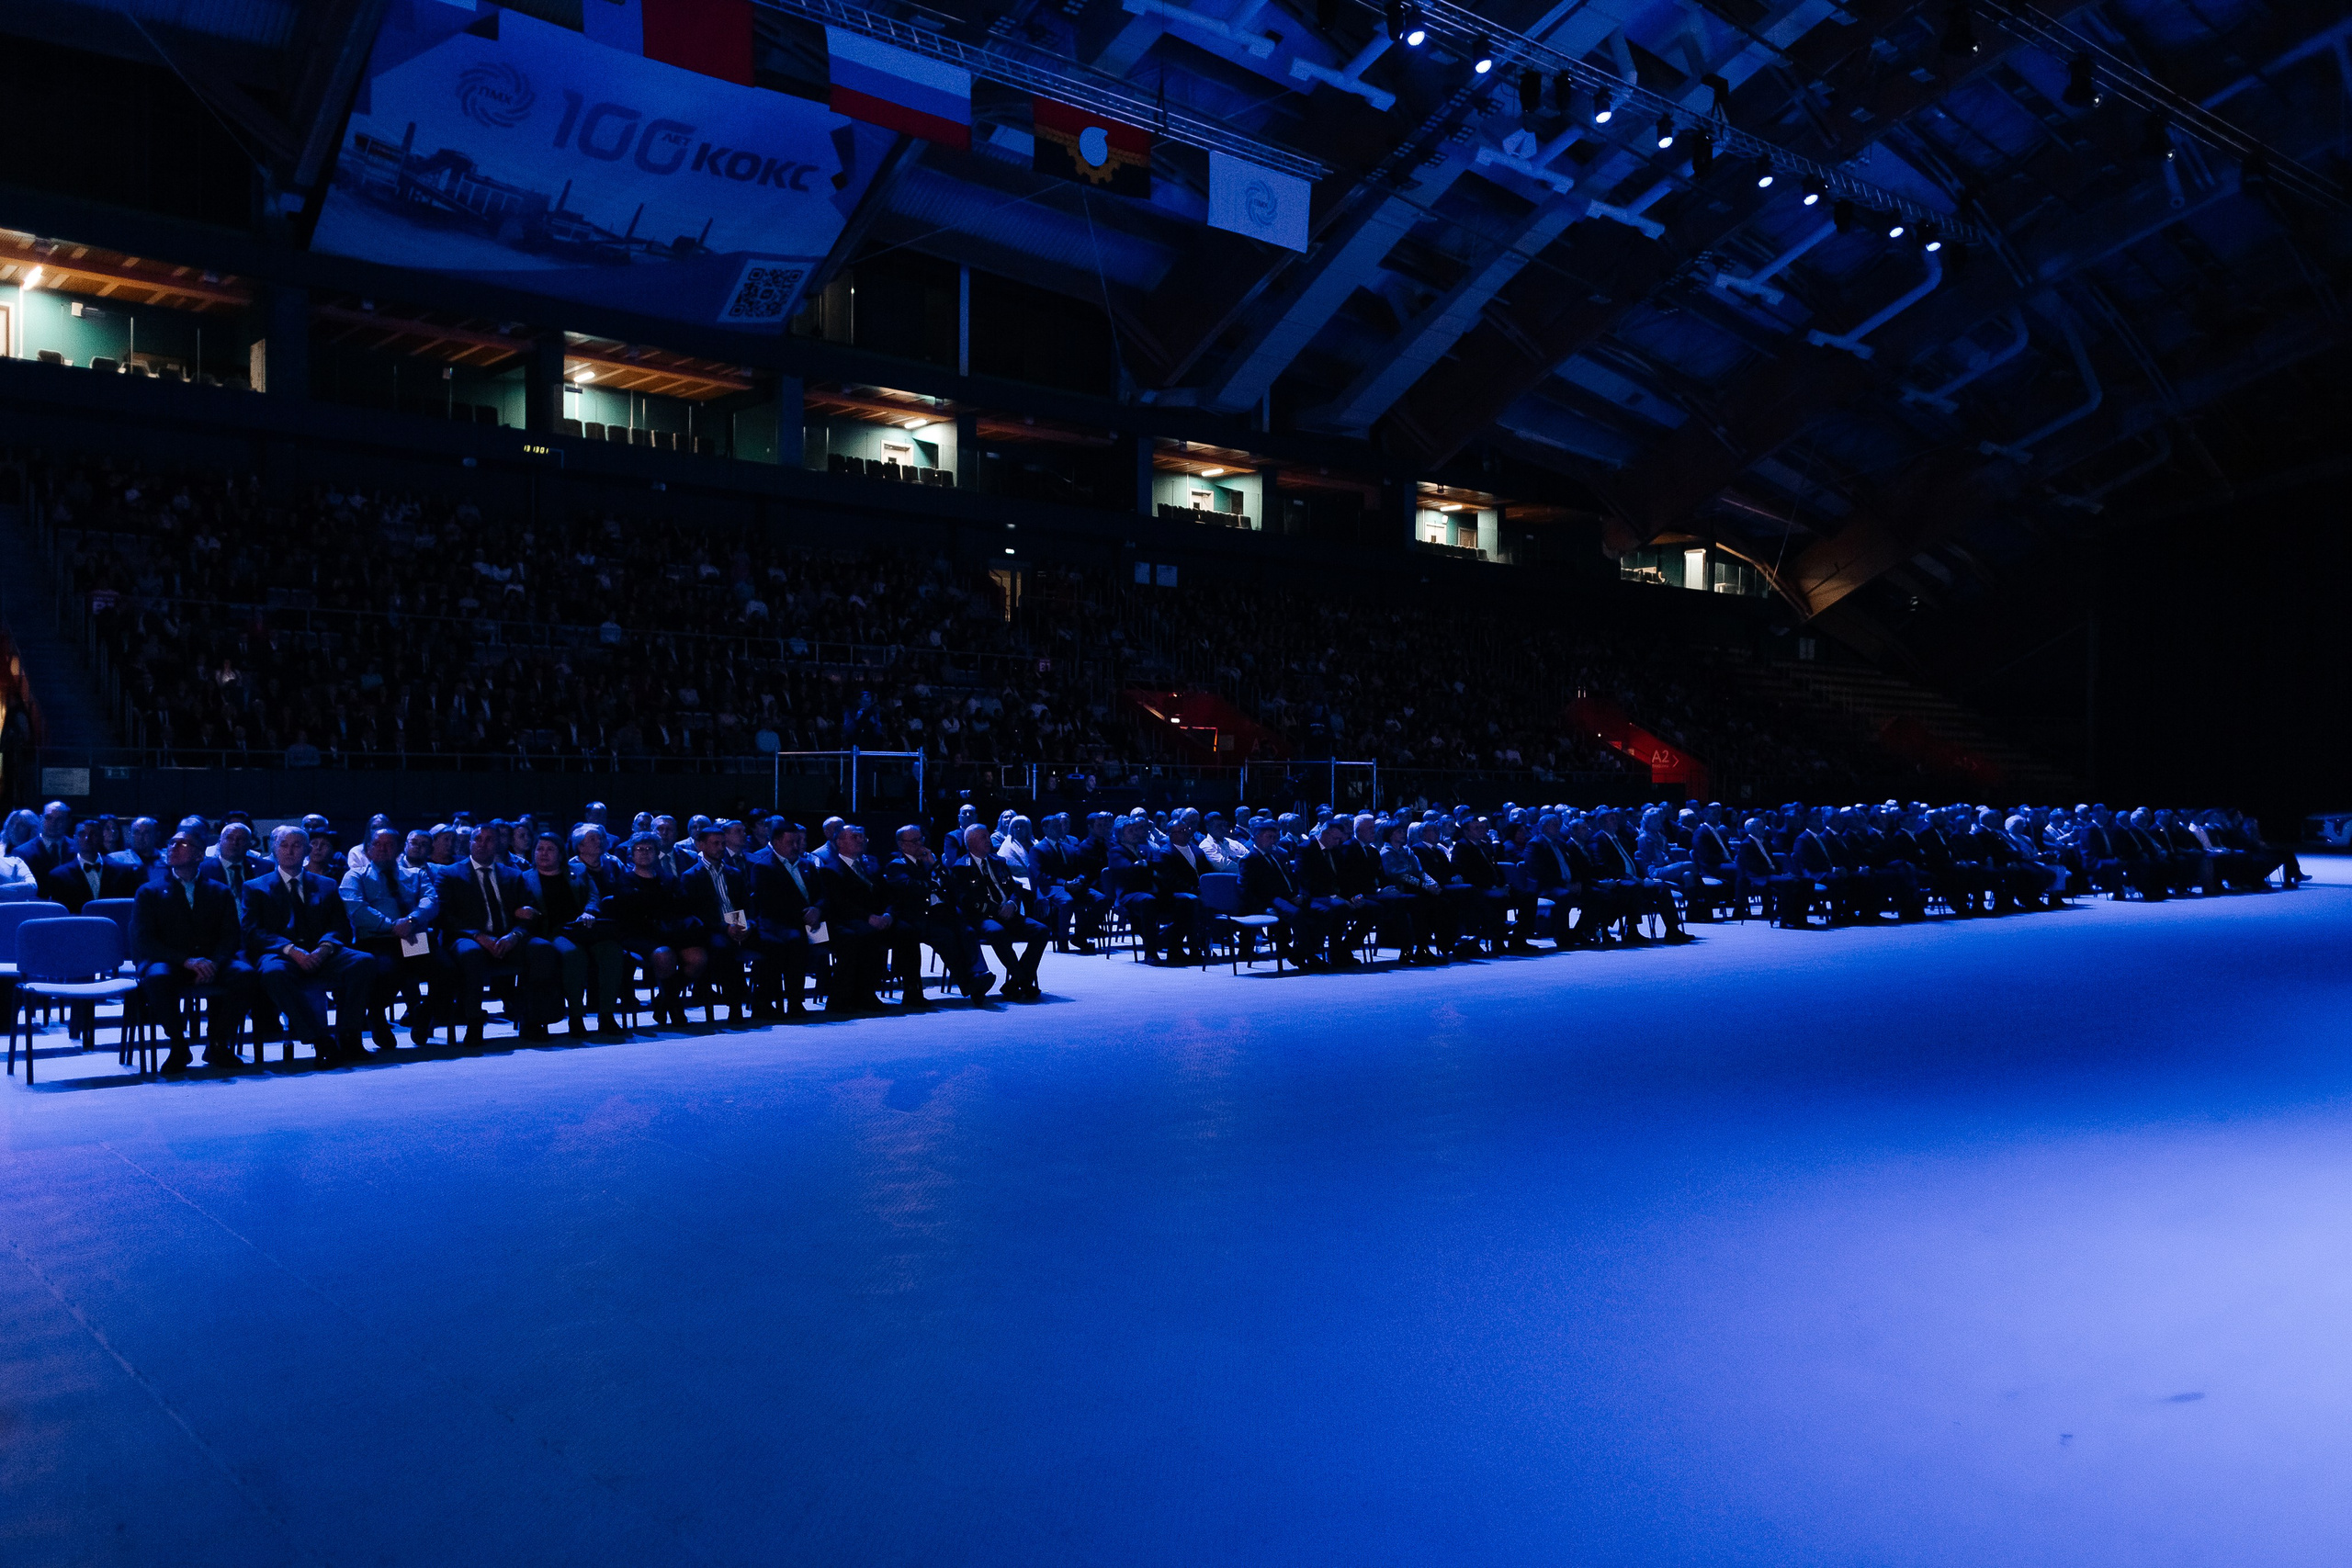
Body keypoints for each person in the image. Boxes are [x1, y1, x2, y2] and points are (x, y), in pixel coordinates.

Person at [244, 824, 376, 1063]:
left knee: (363, 962)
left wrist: (324, 948)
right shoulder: (255, 887)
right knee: (272, 973)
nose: (290, 851)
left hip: (321, 951)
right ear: (274, 849)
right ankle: (319, 1039)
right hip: (282, 954)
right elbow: (252, 932)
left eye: (297, 845)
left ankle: (348, 1035)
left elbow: (341, 926)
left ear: (307, 850)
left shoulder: (326, 884)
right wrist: (291, 950)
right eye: (283, 845)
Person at [131, 829, 256, 1075]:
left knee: (246, 974)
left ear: (199, 855)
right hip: (171, 960)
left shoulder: (219, 891)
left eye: (182, 844)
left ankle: (218, 1042)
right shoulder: (149, 892)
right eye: (171, 843)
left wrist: (213, 962)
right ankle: (178, 1044)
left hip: (211, 960)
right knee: (156, 978)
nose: (173, 848)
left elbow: (231, 936)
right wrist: (186, 960)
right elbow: (144, 940)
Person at [433, 820, 562, 1046]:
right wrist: (478, 936)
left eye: (489, 839)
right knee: (471, 954)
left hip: (507, 938)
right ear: (470, 843)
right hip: (468, 938)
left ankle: (531, 1018)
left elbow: (530, 913)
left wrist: (515, 936)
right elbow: (445, 916)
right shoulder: (450, 874)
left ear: (498, 844)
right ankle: (473, 1022)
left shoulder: (513, 875)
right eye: (478, 839)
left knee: (542, 949)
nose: (483, 844)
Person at [340, 824, 444, 1051]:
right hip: (378, 939)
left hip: (413, 936)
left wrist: (411, 920)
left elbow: (431, 901)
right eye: (377, 844)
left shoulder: (416, 874)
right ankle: (376, 1015)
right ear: (368, 850)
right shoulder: (356, 875)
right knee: (390, 971)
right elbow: (356, 909)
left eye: (389, 845)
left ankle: (423, 1013)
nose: (383, 849)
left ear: (399, 849)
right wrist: (391, 925)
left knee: (448, 971)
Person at [521, 830, 629, 1037]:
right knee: (573, 955)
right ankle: (576, 1017)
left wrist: (589, 912)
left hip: (585, 928)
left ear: (561, 854)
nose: (543, 853)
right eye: (539, 849)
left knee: (613, 951)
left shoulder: (578, 870)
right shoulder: (525, 878)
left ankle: (606, 1014)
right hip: (553, 932)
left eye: (550, 849)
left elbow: (593, 895)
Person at [603, 832, 700, 1026]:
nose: (645, 853)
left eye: (650, 849)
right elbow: (632, 911)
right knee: (664, 955)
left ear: (657, 853)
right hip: (637, 934)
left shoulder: (668, 879)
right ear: (631, 854)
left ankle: (664, 1001)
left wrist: (652, 904)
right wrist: (661, 904)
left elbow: (682, 905)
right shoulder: (624, 881)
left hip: (669, 930)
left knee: (698, 958)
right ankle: (675, 1007)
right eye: (640, 849)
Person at [883, 824, 987, 1005]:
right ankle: (969, 984)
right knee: (946, 937)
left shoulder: (929, 860)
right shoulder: (896, 865)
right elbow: (911, 888)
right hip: (916, 917)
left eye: (921, 839)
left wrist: (935, 864)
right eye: (914, 841)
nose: (919, 844)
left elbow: (952, 883)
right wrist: (935, 885)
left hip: (940, 913)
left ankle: (979, 974)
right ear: (902, 845)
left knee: (967, 930)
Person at [952, 823, 1046, 1000]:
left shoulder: (998, 861)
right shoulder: (961, 867)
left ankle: (1015, 982)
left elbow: (1014, 888)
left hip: (1009, 912)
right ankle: (1023, 980)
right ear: (971, 842)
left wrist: (1012, 903)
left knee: (1041, 930)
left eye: (988, 836)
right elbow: (967, 901)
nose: (989, 840)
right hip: (982, 917)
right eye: (984, 837)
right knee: (997, 932)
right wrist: (998, 909)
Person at [746, 818, 828, 1019]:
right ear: (775, 842)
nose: (796, 847)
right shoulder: (763, 867)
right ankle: (794, 1001)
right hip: (778, 923)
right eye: (790, 842)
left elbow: (823, 894)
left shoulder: (807, 865)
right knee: (794, 940)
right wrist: (804, 916)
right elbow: (770, 903)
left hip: (812, 921)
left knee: (846, 936)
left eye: (798, 842)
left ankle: (844, 994)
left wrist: (817, 909)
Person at [812, 822, 896, 1014]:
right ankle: (855, 995)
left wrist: (889, 914)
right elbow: (840, 904)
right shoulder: (831, 869)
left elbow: (887, 895)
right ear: (839, 841)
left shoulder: (871, 865)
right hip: (845, 920)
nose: (861, 840)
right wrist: (869, 917)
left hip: (876, 918)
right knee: (863, 935)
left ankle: (912, 990)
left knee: (907, 931)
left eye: (861, 837)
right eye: (855, 837)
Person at [677, 824, 749, 1024]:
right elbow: (694, 913)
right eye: (715, 843)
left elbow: (746, 904)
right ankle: (735, 1005)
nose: (720, 848)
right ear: (701, 845)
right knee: (724, 947)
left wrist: (746, 925)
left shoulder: (734, 873)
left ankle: (766, 1001)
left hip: (737, 923)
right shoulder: (691, 876)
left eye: (723, 844)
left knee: (772, 942)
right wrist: (725, 927)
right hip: (711, 928)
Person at [1238, 819, 1321, 967]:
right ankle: (1309, 955)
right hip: (1271, 899)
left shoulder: (1280, 854)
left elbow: (1293, 877)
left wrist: (1301, 894)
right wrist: (1262, 908)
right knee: (1296, 914)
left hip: (1290, 896)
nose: (1273, 841)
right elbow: (1245, 889)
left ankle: (1299, 954)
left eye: (1274, 838)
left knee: (1322, 911)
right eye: (1269, 837)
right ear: (1257, 837)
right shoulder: (1250, 859)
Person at [41, 818, 142, 912]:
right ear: (75, 838)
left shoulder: (124, 872)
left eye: (93, 834)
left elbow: (130, 910)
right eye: (82, 834)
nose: (87, 838)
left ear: (101, 838)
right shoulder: (59, 876)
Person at [19, 800, 74, 881]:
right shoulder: (23, 852)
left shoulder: (78, 849)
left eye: (59, 819)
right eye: (48, 818)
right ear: (41, 819)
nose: (53, 823)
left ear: (68, 822)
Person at [106, 816, 163, 880]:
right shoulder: (116, 859)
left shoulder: (166, 860)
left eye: (146, 833)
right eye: (137, 832)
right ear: (130, 834)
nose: (141, 837)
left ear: (155, 835)